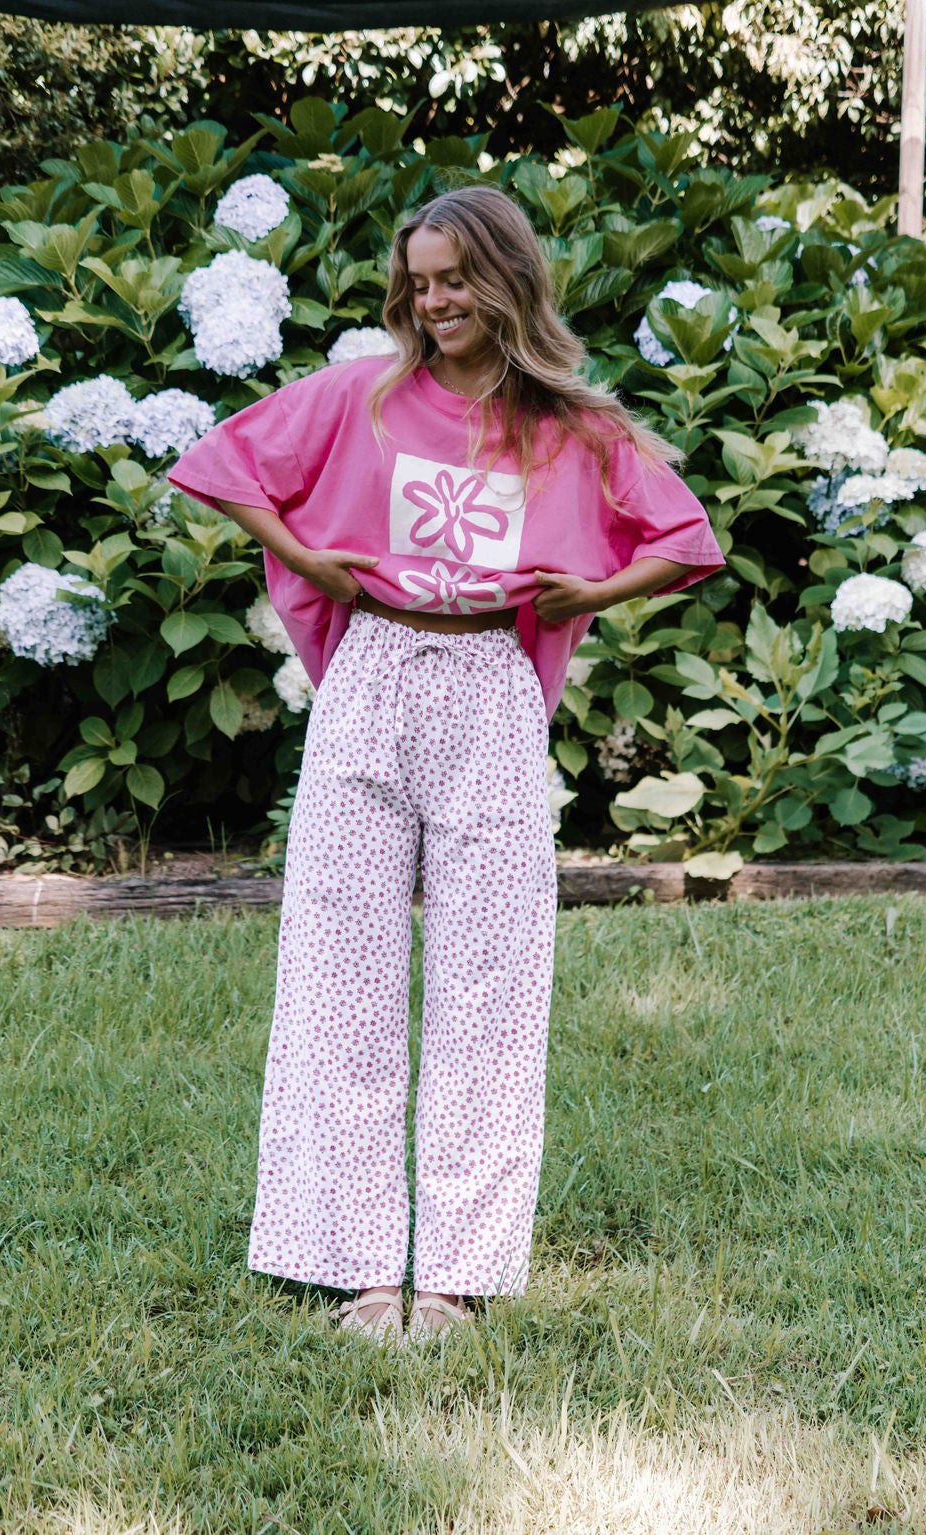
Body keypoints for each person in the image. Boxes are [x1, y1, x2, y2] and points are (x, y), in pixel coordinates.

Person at [169, 184, 724, 1346]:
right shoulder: (365, 394)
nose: (433, 301)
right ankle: (360, 1262)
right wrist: (310, 560)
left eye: (454, 279)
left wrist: (590, 593)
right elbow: (222, 464)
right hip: (372, 680)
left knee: (489, 982)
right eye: (419, 282)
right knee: (340, 968)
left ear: (505, 279)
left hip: (488, 693)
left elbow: (685, 541)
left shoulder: (569, 424)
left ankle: (457, 1275)